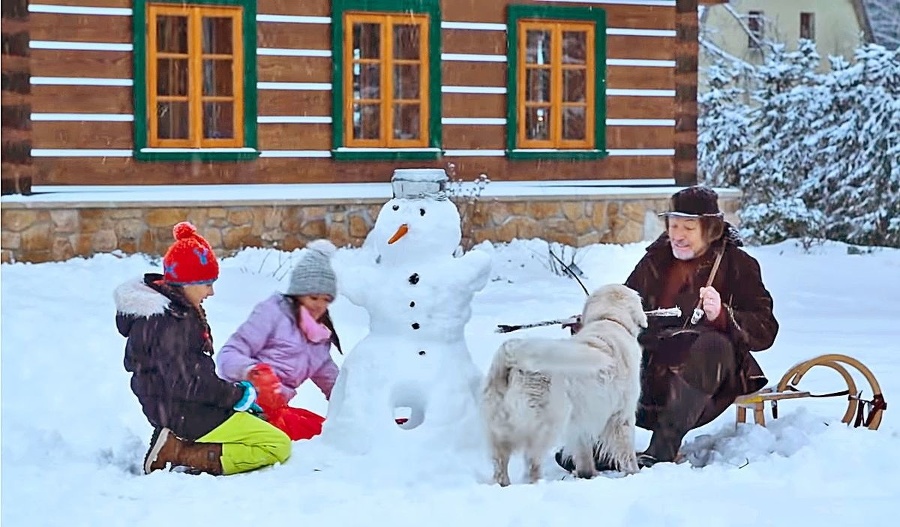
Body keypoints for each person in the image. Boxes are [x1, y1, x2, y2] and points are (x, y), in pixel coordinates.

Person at [557, 185, 779, 471]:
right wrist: (597, 323)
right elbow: (626, 308)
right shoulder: (655, 260)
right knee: (610, 349)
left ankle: (662, 450)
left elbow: (766, 328)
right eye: (674, 225)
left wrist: (724, 314)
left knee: (712, 345)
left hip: (708, 381)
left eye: (688, 227)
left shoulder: (739, 265)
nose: (678, 235)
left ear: (710, 229)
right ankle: (600, 447)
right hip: (652, 379)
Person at [115, 222, 291, 475]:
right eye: (207, 283)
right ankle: (180, 452)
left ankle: (175, 440)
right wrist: (236, 396)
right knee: (277, 445)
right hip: (185, 411)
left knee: (258, 424)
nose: (212, 292)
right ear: (186, 282)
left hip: (176, 407)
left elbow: (188, 373)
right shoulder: (169, 321)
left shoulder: (173, 311)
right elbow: (188, 382)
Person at [217, 239, 342, 441]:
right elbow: (228, 355)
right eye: (313, 297)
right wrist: (253, 372)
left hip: (275, 412)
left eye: (325, 300)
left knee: (326, 432)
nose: (319, 305)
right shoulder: (273, 313)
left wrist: (366, 414)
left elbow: (336, 386)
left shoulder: (319, 339)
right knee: (315, 434)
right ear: (298, 294)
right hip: (242, 404)